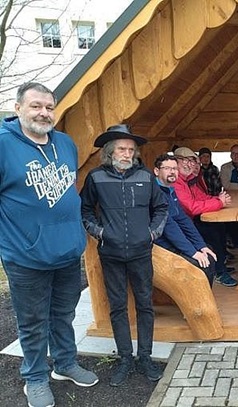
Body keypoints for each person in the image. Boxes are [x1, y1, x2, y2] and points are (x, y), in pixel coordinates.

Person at [0, 82, 99, 407]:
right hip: (26, 257)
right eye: (35, 106)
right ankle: (35, 377)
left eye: (49, 107)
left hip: (67, 252)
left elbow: (67, 189)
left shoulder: (65, 144)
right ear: (18, 108)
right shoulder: (3, 145)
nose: (43, 113)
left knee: (64, 313)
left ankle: (65, 363)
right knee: (32, 322)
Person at [81, 124, 168, 387]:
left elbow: (161, 207)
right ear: (110, 151)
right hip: (111, 253)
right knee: (118, 307)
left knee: (145, 306)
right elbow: (85, 210)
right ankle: (125, 358)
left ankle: (145, 357)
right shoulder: (96, 177)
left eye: (131, 149)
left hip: (141, 252)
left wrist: (152, 233)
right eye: (121, 149)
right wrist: (100, 232)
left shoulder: (145, 176)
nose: (127, 154)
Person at [173, 147, 238, 287]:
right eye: (184, 160)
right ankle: (219, 272)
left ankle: (220, 263)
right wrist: (219, 202)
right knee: (212, 232)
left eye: (192, 161)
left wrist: (218, 199)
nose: (189, 164)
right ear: (175, 162)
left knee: (220, 227)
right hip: (179, 226)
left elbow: (202, 197)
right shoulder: (176, 181)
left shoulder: (189, 180)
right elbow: (191, 207)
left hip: (189, 220)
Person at [153, 153, 217, 286]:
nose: (172, 172)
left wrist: (201, 245)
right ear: (156, 171)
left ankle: (204, 296)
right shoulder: (155, 192)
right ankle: (198, 298)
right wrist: (192, 252)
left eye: (174, 168)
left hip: (171, 240)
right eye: (167, 168)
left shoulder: (170, 190)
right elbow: (169, 227)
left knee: (208, 253)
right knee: (198, 263)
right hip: (157, 246)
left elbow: (183, 220)